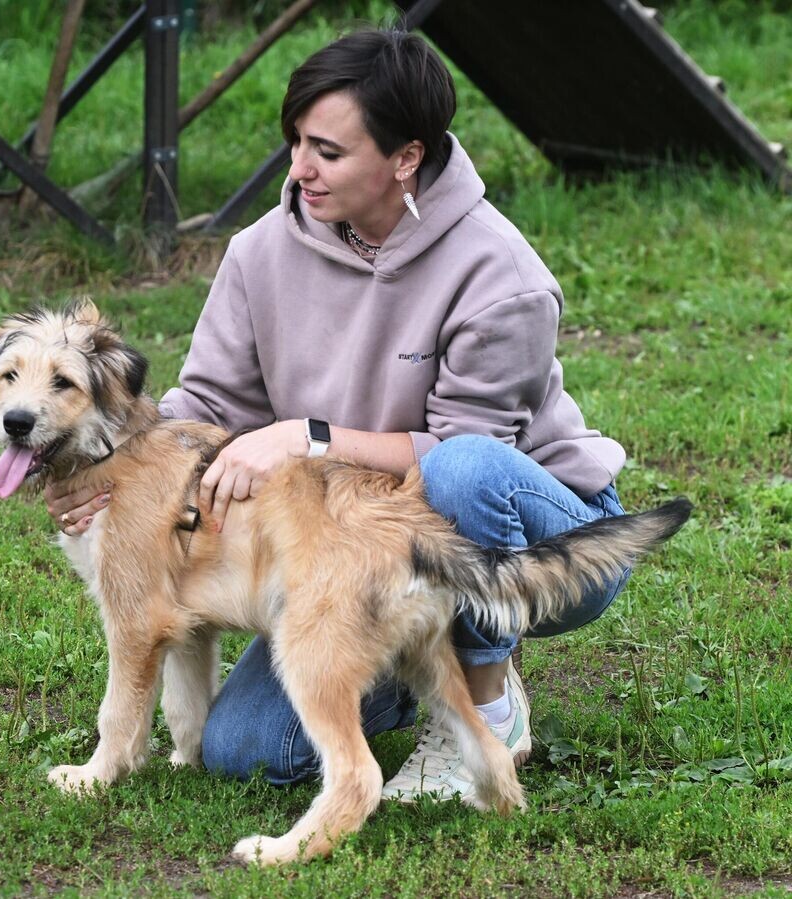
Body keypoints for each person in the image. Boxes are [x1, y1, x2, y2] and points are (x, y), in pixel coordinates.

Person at [45, 28, 629, 803]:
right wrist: (109, 470)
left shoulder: (503, 275)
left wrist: (308, 435)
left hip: (537, 534)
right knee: (248, 749)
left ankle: (487, 693)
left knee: (459, 473)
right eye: (295, 143)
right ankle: (391, 655)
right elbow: (208, 405)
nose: (299, 169)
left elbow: (466, 452)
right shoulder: (259, 253)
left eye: (327, 151)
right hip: (354, 545)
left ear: (406, 158)